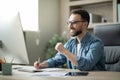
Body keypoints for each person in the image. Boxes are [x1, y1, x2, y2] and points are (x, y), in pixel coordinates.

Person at [34, 9, 106, 71]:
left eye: (74, 23)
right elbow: (57, 60)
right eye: (69, 23)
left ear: (84, 24)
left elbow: (87, 65)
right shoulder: (70, 43)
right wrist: (41, 65)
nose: (70, 26)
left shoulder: (96, 43)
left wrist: (65, 51)